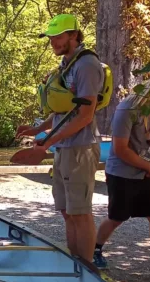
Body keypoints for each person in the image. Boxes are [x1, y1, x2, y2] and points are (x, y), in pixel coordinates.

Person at [16, 14, 103, 263]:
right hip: (64, 147)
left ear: (74, 35)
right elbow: (64, 110)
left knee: (80, 212)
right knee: (67, 211)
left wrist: (49, 141)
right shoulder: (67, 63)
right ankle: (74, 262)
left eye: (59, 37)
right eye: (51, 37)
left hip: (81, 147)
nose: (53, 41)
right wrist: (38, 130)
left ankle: (85, 270)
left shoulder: (86, 65)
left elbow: (85, 115)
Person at [93, 70, 150, 281]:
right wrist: (149, 168)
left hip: (148, 173)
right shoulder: (128, 107)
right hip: (122, 173)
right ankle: (95, 249)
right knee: (117, 217)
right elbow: (120, 149)